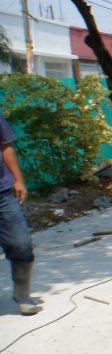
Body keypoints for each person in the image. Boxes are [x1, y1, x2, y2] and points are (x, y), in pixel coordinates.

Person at [1, 112, 42, 316]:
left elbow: (6, 146)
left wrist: (18, 180)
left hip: (2, 194)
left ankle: (22, 294)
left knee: (21, 243)